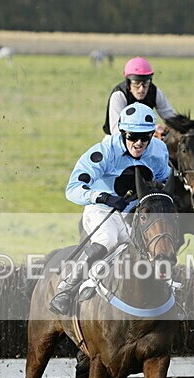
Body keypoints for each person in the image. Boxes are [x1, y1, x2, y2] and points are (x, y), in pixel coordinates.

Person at [50, 102, 172, 316]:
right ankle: (66, 288)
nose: (139, 143)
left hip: (134, 215)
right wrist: (104, 196)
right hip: (101, 210)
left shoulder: (159, 151)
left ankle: (165, 298)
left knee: (152, 244)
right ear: (123, 132)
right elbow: (73, 189)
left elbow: (164, 178)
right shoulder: (104, 152)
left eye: (145, 137)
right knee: (108, 239)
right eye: (133, 136)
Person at [103, 57, 178, 137]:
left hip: (145, 138)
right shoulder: (119, 95)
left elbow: (171, 117)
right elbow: (116, 131)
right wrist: (152, 130)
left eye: (146, 83)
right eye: (136, 83)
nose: (141, 89)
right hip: (116, 139)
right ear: (128, 83)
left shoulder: (154, 91)